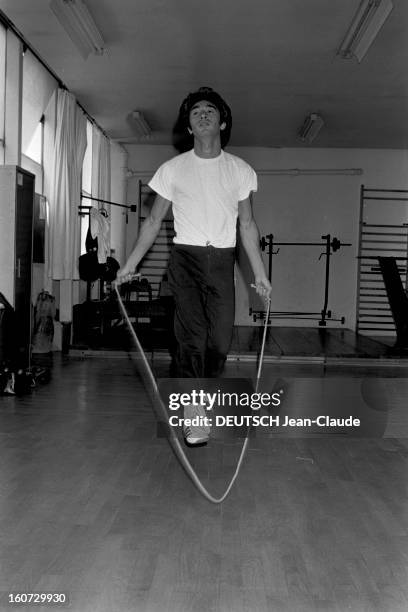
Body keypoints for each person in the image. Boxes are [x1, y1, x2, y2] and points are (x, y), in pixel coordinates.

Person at [116, 86, 271, 444]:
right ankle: (194, 411)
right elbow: (153, 222)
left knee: (218, 341)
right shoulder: (172, 169)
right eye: (195, 111)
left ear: (223, 121)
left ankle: (205, 397)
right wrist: (129, 265)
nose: (203, 114)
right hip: (185, 259)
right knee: (191, 339)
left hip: (222, 260)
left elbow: (246, 224)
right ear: (188, 126)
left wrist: (260, 274)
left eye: (210, 110)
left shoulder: (240, 170)